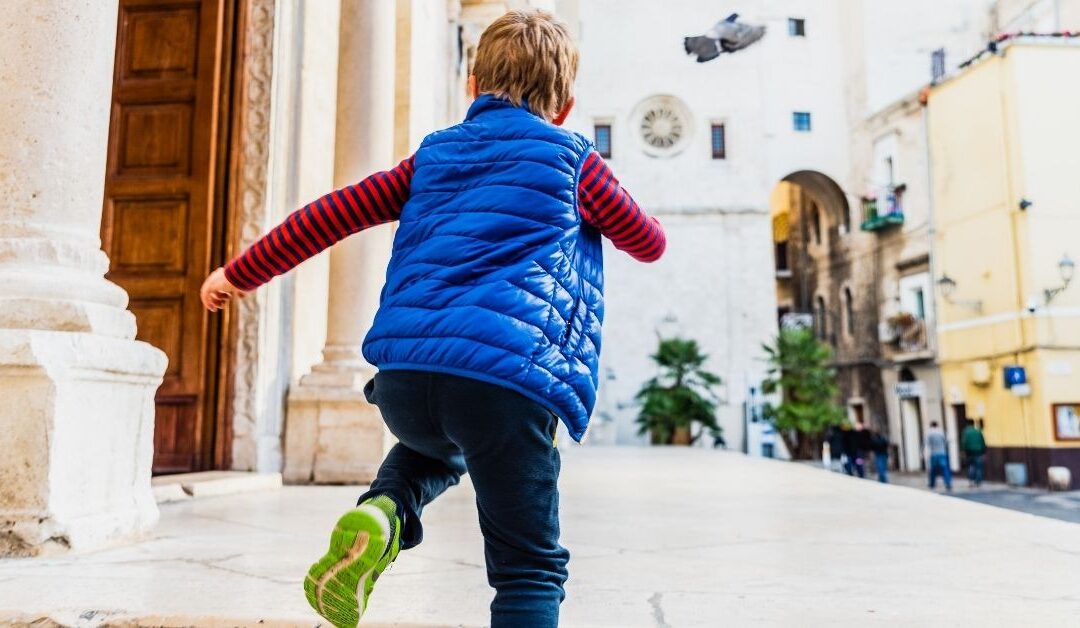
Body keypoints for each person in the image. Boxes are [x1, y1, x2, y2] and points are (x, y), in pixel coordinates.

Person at [199, 10, 664, 628]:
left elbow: (329, 215)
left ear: (472, 85)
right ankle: (396, 516)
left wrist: (237, 274)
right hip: (508, 385)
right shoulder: (575, 162)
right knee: (528, 567)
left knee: (439, 444)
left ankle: (383, 509)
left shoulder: (431, 157)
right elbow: (647, 241)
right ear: (566, 105)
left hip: (406, 383)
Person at [925, 421, 952, 491]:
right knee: (945, 469)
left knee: (933, 469)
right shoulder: (942, 432)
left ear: (931, 426)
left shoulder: (929, 433)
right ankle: (948, 483)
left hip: (933, 453)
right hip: (942, 452)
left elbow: (927, 443)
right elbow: (947, 441)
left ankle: (932, 484)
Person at [961, 420, 987, 487]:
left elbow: (963, 443)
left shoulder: (965, 432)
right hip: (978, 451)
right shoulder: (978, 431)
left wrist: (963, 451)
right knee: (979, 467)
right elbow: (983, 442)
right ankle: (978, 482)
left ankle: (971, 481)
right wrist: (984, 452)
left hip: (969, 451)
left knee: (971, 466)